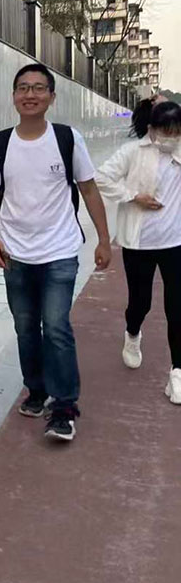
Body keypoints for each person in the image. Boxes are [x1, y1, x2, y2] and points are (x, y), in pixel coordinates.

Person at [0, 64, 111, 442]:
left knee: (55, 327)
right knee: (24, 328)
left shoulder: (67, 139)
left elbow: (88, 189)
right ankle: (36, 389)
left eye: (38, 88)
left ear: (51, 96)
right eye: (23, 88)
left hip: (60, 251)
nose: (30, 95)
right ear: (13, 96)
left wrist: (103, 238)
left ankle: (64, 405)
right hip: (15, 254)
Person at [95, 100, 181, 401]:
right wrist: (133, 196)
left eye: (176, 132)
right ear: (152, 129)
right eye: (165, 132)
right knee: (140, 303)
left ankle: (177, 372)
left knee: (177, 307)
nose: (171, 138)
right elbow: (101, 178)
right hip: (139, 243)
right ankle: (132, 333)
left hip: (175, 244)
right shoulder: (133, 152)